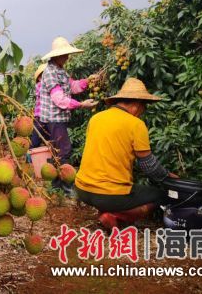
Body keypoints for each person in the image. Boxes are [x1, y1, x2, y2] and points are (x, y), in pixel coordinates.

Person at [74, 77, 178, 229]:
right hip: (108, 194)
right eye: (144, 108)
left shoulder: (96, 118)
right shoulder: (136, 124)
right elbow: (148, 166)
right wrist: (167, 177)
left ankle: (107, 211)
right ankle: (114, 215)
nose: (142, 112)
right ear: (137, 105)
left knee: (117, 189)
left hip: (82, 189)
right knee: (160, 196)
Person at [38, 37, 97, 191]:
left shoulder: (61, 71)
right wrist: (81, 104)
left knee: (57, 150)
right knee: (64, 150)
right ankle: (65, 186)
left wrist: (88, 81)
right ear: (56, 55)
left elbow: (73, 86)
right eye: (65, 54)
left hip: (58, 118)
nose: (67, 57)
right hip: (53, 118)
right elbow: (59, 99)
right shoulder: (50, 72)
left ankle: (56, 184)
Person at [30, 63, 48, 149]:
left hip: (47, 117)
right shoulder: (39, 85)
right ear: (40, 78)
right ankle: (30, 156)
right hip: (39, 117)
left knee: (49, 137)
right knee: (35, 139)